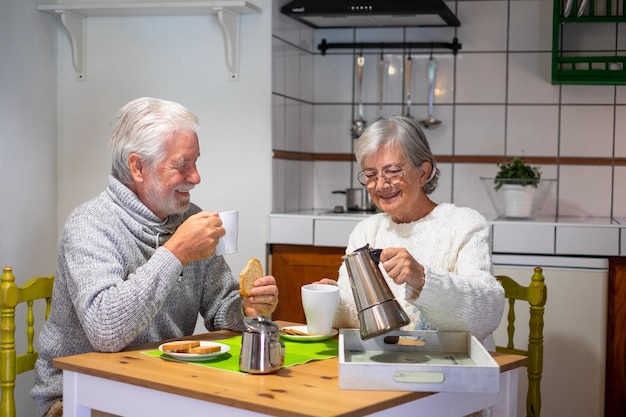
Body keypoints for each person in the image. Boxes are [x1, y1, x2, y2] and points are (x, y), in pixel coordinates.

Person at [31, 97, 279, 417]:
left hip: (161, 387)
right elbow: (106, 330)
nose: (196, 177)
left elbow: (222, 309)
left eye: (196, 162)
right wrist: (176, 251)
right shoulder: (90, 224)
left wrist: (249, 308)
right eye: (182, 164)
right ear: (138, 167)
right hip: (80, 394)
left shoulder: (191, 219)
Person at [319, 116, 504, 350]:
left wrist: (423, 278)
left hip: (456, 370)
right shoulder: (367, 230)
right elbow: (356, 318)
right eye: (370, 175)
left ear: (423, 172)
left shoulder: (464, 224)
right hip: (388, 365)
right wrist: (330, 300)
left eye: (393, 171)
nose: (381, 185)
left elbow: (487, 315)